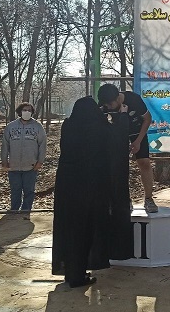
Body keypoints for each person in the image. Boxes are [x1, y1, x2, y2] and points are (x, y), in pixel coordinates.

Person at [51, 97, 132, 287]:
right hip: (91, 186)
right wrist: (122, 117)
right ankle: (79, 274)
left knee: (70, 229)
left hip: (66, 186)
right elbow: (118, 141)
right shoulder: (99, 127)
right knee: (86, 230)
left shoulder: (68, 125)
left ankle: (71, 272)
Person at [98, 83, 159, 212]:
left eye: (110, 104)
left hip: (137, 131)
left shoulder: (134, 99)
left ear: (118, 98)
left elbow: (147, 119)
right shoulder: (104, 104)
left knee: (144, 162)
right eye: (105, 105)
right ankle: (124, 199)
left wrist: (138, 141)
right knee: (118, 165)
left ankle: (149, 198)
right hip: (119, 132)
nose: (108, 107)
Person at [1, 102, 46, 212]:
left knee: (29, 191)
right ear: (20, 112)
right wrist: (4, 161)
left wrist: (40, 161)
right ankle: (14, 211)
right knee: (15, 190)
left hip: (31, 166)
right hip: (13, 166)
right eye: (25, 110)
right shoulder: (11, 126)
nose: (27, 112)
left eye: (29, 110)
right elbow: (5, 145)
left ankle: (26, 211)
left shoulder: (38, 126)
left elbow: (43, 144)